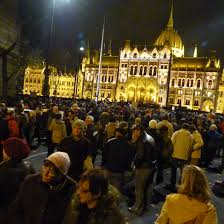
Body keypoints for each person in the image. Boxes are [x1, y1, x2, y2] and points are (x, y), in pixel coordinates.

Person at [9, 152, 76, 224]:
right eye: (45, 166)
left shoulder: (71, 188)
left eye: (52, 171)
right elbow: (17, 208)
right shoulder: (30, 181)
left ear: (61, 174)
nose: (46, 173)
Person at [0, 137, 34, 223]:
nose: (3, 150)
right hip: (22, 210)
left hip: (5, 211)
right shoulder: (28, 167)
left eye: (4, 149)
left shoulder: (3, 170)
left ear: (10, 152)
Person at [128, 124, 156, 215]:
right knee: (147, 187)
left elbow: (139, 156)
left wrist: (136, 165)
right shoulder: (149, 137)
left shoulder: (141, 140)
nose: (133, 132)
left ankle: (138, 208)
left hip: (143, 168)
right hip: (151, 166)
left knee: (139, 188)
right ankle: (146, 206)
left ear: (139, 130)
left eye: (134, 130)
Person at [102, 121, 133, 192]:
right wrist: (126, 168)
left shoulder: (110, 141)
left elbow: (104, 155)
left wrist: (103, 165)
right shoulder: (128, 145)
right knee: (116, 191)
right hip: (119, 171)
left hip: (108, 169)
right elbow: (129, 159)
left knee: (106, 189)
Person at [171, 123, 193, 190]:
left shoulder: (176, 133)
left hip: (175, 154)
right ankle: (180, 184)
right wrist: (189, 155)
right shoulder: (190, 136)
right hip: (184, 156)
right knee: (183, 171)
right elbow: (190, 147)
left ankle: (172, 183)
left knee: (173, 170)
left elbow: (172, 143)